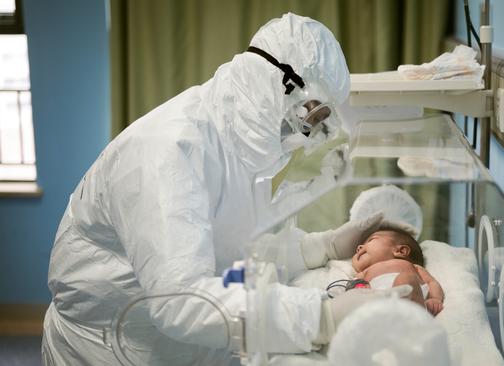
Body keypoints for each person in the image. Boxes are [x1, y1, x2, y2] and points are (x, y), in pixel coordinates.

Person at [42, 13, 401, 365]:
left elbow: (233, 246)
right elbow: (179, 303)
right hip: (112, 349)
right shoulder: (168, 150)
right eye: (311, 113)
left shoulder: (244, 145)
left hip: (192, 347)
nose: (307, 131)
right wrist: (320, 318)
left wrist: (316, 248)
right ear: (280, 83)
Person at [351, 226, 445, 315]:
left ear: (401, 251)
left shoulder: (412, 267)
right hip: (377, 302)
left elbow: (431, 282)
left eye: (371, 240)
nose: (359, 247)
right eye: (358, 248)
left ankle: (409, 319)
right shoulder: (364, 273)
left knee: (405, 279)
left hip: (409, 299)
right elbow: (352, 287)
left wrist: (435, 299)